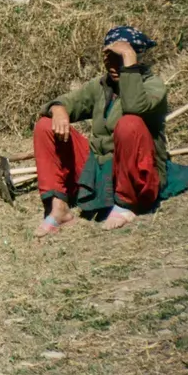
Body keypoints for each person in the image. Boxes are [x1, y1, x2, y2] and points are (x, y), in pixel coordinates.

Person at [34, 25, 176, 236]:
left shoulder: (153, 86)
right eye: (109, 58)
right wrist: (58, 109)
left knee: (129, 123)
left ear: (136, 59)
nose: (112, 65)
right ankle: (59, 208)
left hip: (136, 171)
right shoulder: (101, 85)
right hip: (98, 164)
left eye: (119, 59)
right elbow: (68, 101)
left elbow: (134, 106)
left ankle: (126, 204)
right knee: (45, 125)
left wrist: (128, 61)